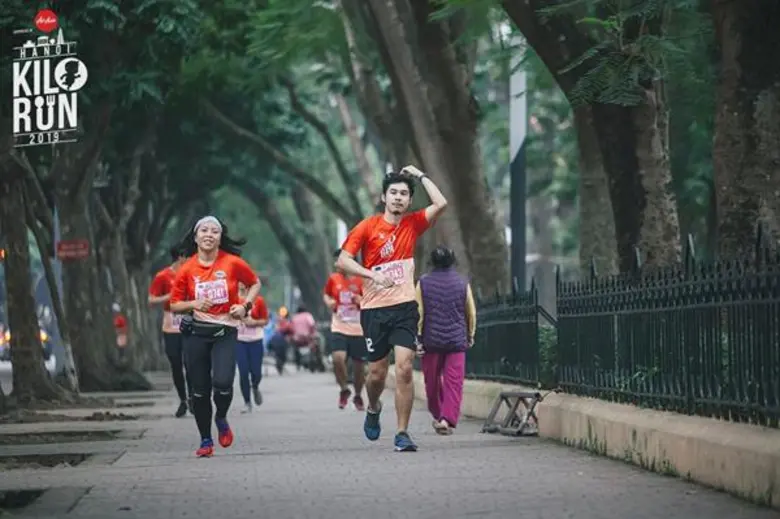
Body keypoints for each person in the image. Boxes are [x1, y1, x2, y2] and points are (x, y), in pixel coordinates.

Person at [336, 165, 447, 452]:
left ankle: (402, 433)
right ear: (384, 197)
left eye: (404, 194)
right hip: (374, 310)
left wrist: (421, 175)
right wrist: (371, 275)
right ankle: (373, 407)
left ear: (409, 200)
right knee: (376, 374)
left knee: (405, 368)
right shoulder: (367, 226)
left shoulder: (413, 224)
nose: (398, 197)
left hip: (405, 308)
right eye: (394, 193)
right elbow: (343, 261)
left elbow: (441, 203)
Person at [170, 216, 261, 458]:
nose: (209, 235)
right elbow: (174, 305)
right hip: (196, 334)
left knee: (223, 383)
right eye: (204, 230)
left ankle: (221, 417)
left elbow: (254, 283)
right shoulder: (187, 269)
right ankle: (205, 439)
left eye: (215, 231)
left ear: (220, 238)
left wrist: (245, 306)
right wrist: (194, 303)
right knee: (199, 391)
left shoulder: (232, 263)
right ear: (196, 237)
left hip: (225, 332)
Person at [415, 246, 477, 435]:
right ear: (452, 260)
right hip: (456, 341)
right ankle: (446, 418)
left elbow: (418, 313)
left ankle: (439, 414)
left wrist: (418, 338)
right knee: (454, 383)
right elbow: (470, 312)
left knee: (431, 383)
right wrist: (470, 334)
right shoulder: (462, 282)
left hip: (431, 342)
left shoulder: (423, 283)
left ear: (432, 261)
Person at [148, 245, 192, 418]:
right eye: (188, 256)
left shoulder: (193, 275)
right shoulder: (163, 276)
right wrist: (169, 296)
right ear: (180, 257)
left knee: (191, 363)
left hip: (189, 323)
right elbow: (151, 300)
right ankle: (183, 400)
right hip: (171, 325)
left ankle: (193, 397)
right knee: (176, 363)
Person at [323, 249, 366, 410]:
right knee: (337, 358)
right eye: (336, 262)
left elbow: (371, 300)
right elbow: (326, 294)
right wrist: (329, 302)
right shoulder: (333, 279)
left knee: (359, 366)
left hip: (358, 328)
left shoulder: (362, 279)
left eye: (339, 261)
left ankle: (358, 395)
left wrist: (360, 300)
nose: (336, 265)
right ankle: (344, 389)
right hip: (339, 325)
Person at [235, 283, 269, 413]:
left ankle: (255, 386)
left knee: (256, 372)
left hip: (256, 340)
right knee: (243, 372)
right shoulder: (233, 299)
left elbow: (265, 320)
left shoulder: (258, 300)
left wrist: (254, 322)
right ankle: (247, 402)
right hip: (239, 341)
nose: (242, 284)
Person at [290, 305, 316, 371]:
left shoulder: (294, 317)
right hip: (307, 337)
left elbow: (291, 328)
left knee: (295, 348)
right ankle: (313, 361)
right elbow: (312, 325)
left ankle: (298, 363)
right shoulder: (308, 315)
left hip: (297, 339)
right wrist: (312, 334)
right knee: (315, 345)